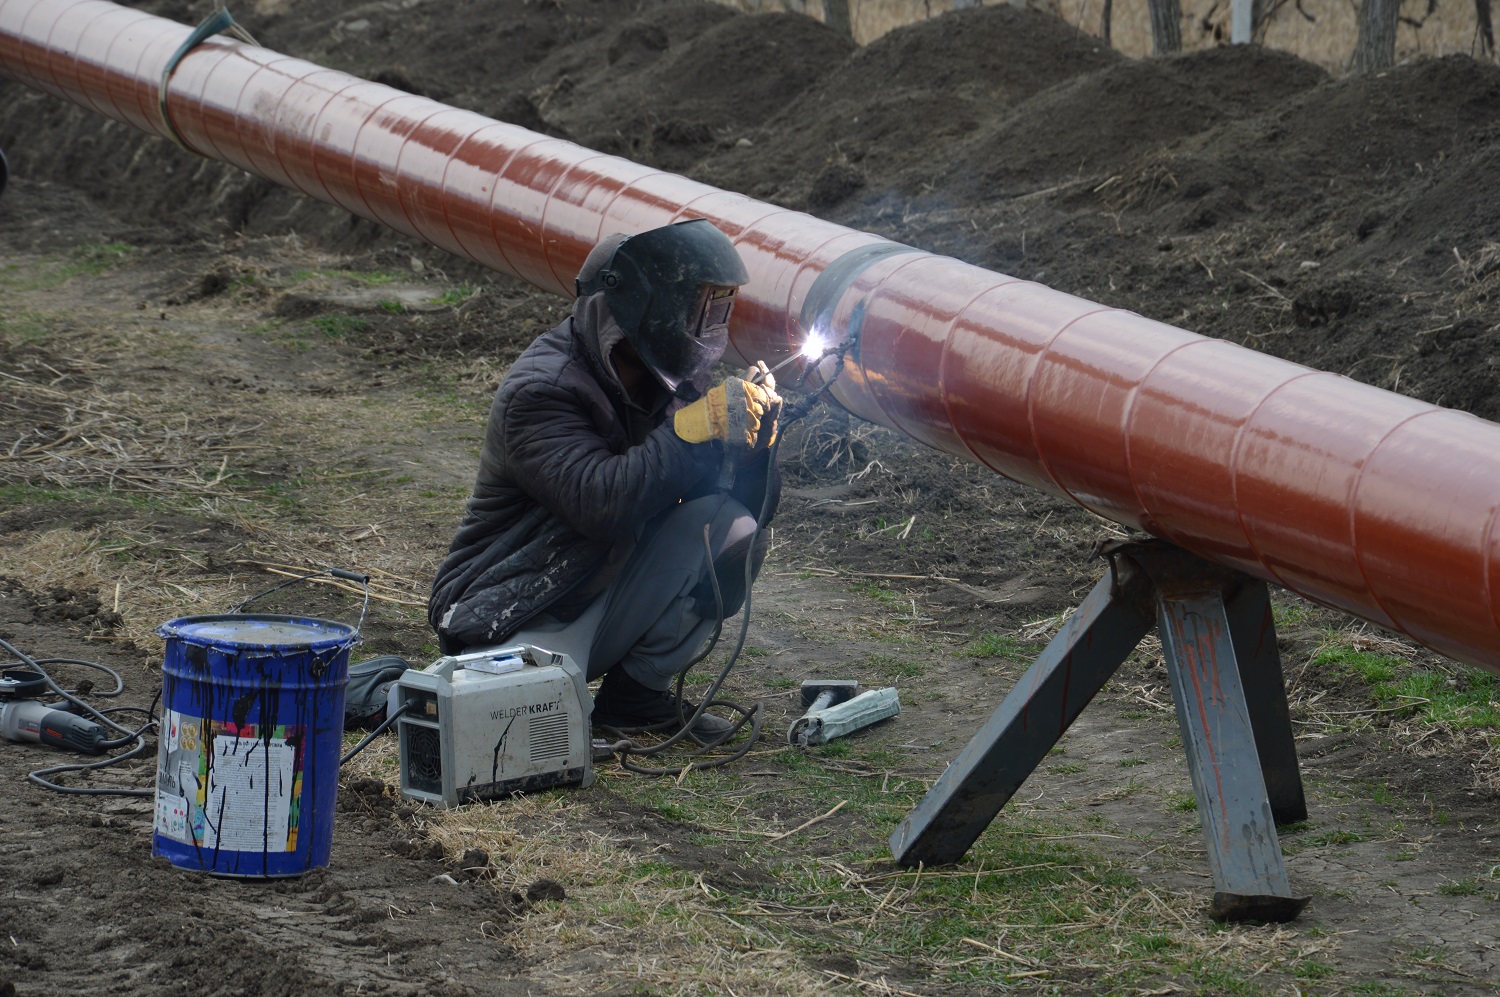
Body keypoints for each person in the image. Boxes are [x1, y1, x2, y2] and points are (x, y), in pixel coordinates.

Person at [427, 219, 782, 737]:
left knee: (732, 528)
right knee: (522, 731)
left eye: (715, 308)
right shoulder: (542, 389)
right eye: (697, 307)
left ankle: (636, 699)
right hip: (513, 613)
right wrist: (691, 434)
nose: (704, 325)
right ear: (645, 305)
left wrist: (755, 447)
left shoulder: (674, 380)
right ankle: (487, 689)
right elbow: (600, 503)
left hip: (594, 593)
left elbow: (743, 503)